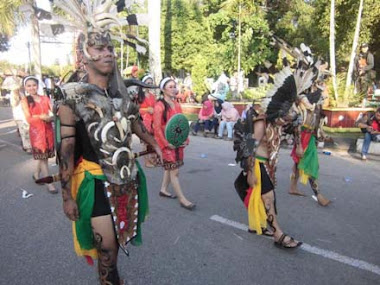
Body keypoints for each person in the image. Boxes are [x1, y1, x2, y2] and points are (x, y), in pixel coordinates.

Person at [52, 2, 162, 284]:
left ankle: (112, 277)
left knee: (119, 237)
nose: (107, 54)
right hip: (94, 179)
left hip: (127, 177)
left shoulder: (122, 92)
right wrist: (66, 196)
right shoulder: (70, 96)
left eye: (109, 49)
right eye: (99, 49)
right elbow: (65, 149)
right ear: (83, 55)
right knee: (107, 245)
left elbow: (134, 121)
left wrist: (153, 143)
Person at [233, 66, 302, 249]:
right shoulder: (262, 122)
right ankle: (278, 235)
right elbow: (249, 146)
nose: (285, 121)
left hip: (268, 166)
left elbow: (294, 126)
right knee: (268, 198)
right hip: (257, 165)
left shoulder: (277, 124)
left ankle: (258, 224)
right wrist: (249, 171)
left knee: (267, 198)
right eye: (284, 118)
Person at [153, 77, 195, 210]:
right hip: (167, 143)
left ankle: (163, 189)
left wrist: (185, 138)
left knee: (170, 168)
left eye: (174, 86)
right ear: (163, 89)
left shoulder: (176, 104)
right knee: (174, 171)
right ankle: (183, 199)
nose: (174, 89)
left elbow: (181, 123)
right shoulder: (159, 106)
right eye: (170, 87)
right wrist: (165, 144)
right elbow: (157, 128)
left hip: (177, 141)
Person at [289, 83, 331, 206]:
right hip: (302, 138)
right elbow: (297, 126)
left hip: (310, 137)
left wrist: (323, 135)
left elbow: (316, 125)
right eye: (325, 94)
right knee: (312, 165)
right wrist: (299, 145)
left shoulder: (317, 106)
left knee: (299, 164)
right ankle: (318, 195)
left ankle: (293, 187)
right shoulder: (305, 103)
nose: (326, 97)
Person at [21, 76, 56, 193]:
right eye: (29, 86)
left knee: (43, 157)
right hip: (37, 135)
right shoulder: (25, 101)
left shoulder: (45, 98)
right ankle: (49, 183)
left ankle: (36, 174)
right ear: (25, 87)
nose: (32, 88)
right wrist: (42, 117)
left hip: (48, 132)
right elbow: (28, 119)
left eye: (34, 85)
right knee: (44, 158)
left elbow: (54, 112)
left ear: (38, 86)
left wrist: (51, 117)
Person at [139, 74, 158, 167]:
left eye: (151, 83)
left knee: (153, 141)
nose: (149, 84)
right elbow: (136, 110)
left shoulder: (152, 96)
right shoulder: (139, 96)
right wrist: (147, 110)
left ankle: (153, 160)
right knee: (145, 142)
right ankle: (146, 161)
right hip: (143, 122)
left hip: (153, 121)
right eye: (148, 83)